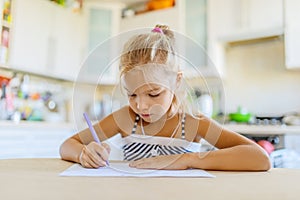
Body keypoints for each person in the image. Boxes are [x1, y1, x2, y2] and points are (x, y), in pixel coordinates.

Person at [60, 25, 271, 171]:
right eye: (132, 94)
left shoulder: (193, 123)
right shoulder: (125, 118)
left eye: (153, 93)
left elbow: (260, 158)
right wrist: (83, 153)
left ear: (176, 82)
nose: (141, 105)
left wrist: (188, 159)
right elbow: (68, 144)